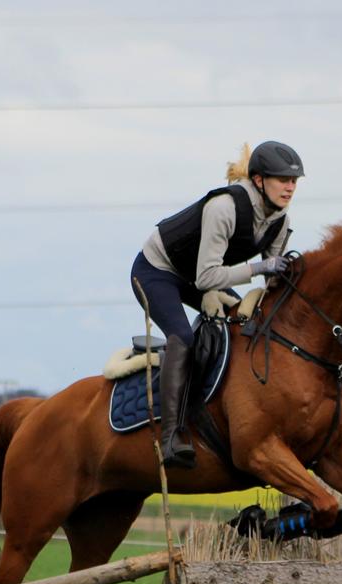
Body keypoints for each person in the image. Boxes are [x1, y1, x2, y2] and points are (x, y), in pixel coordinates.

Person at [130, 140, 304, 468]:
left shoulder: (280, 219)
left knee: (247, 323)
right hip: (157, 271)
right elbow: (207, 278)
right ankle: (170, 437)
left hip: (198, 274)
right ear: (258, 181)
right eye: (283, 179)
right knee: (183, 338)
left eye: (294, 181)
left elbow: (272, 282)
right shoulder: (224, 208)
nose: (290, 187)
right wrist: (259, 268)